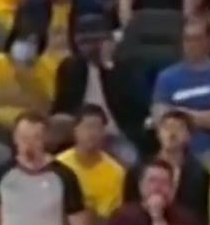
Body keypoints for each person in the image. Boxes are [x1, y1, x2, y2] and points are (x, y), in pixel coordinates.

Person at [53, 11, 146, 161]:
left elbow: (137, 105)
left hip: (116, 134)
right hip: (79, 135)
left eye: (96, 41)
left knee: (130, 160)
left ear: (109, 41)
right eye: (84, 43)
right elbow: (62, 106)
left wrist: (108, 66)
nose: (90, 47)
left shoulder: (127, 66)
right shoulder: (70, 67)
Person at [151, 14, 210, 167]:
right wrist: (200, 117)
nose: (191, 44)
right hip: (173, 149)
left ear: (208, 41)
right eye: (187, 39)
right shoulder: (166, 76)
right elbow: (160, 116)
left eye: (197, 39)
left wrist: (179, 114)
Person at [57, 106, 126, 220]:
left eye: (98, 128)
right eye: (88, 127)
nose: (92, 133)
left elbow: (111, 216)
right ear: (75, 130)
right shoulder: (59, 165)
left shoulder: (117, 172)